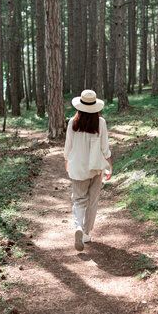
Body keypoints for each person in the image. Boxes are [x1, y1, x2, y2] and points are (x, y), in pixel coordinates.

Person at [64, 90, 112, 251]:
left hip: (77, 167)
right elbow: (105, 148)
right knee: (92, 201)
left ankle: (78, 226)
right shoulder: (101, 123)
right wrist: (109, 165)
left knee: (79, 200)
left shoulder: (72, 122)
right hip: (96, 168)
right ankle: (86, 233)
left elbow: (68, 146)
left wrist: (66, 161)